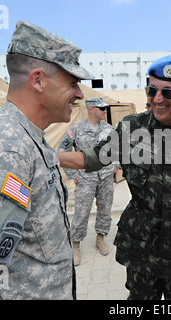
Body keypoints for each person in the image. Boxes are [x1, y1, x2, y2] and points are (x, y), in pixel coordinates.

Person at [57, 54, 171, 300]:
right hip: (142, 252)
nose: (157, 99)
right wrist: (46, 155)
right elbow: (91, 158)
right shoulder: (131, 128)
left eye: (167, 93)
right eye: (151, 90)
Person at [0, 20, 93, 300]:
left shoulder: (29, 140)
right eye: (72, 82)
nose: (80, 94)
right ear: (37, 80)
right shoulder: (5, 150)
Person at [58, 97, 119, 263]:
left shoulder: (109, 128)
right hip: (86, 177)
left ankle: (101, 237)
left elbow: (117, 147)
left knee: (105, 209)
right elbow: (62, 150)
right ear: (91, 109)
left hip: (105, 176)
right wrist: (72, 174)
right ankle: (76, 242)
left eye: (105, 108)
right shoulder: (76, 129)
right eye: (101, 109)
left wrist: (115, 165)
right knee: (82, 211)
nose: (105, 111)